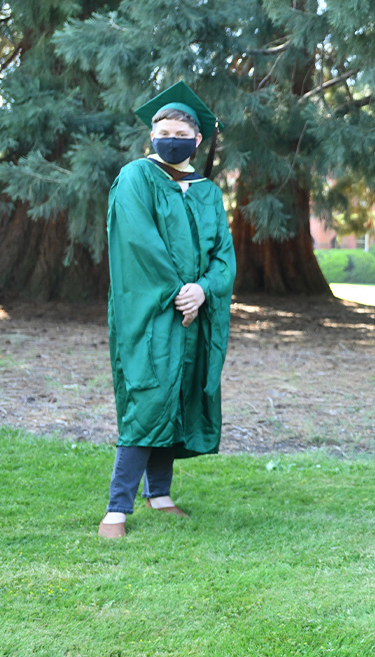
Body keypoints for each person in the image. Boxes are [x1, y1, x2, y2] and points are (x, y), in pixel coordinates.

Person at [98, 81, 235, 539]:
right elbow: (139, 244)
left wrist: (203, 290)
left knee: (177, 396)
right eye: (164, 130)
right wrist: (181, 293)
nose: (171, 137)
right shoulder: (137, 177)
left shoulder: (208, 192)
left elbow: (224, 255)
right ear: (151, 137)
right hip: (152, 311)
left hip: (193, 310)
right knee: (148, 396)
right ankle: (117, 509)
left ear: (197, 140)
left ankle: (160, 495)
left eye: (181, 131)